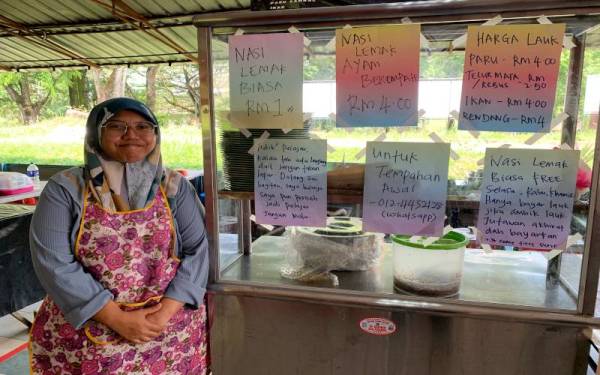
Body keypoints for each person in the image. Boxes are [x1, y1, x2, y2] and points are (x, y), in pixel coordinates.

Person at [29, 97, 209, 374]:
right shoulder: (65, 189)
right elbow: (53, 263)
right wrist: (116, 318)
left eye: (142, 126)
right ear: (96, 133)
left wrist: (165, 313)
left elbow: (198, 249)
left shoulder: (173, 187)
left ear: (155, 134)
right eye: (117, 126)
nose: (132, 135)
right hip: (91, 334)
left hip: (168, 333)